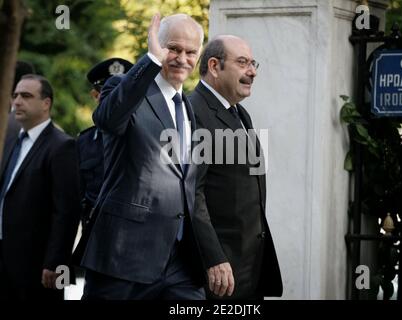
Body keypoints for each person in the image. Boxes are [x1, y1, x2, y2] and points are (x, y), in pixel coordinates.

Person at [80, 13, 209, 300]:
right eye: (173, 49)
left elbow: (186, 183)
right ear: (156, 46)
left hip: (180, 263)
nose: (182, 58)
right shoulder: (123, 88)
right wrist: (150, 61)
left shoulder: (186, 108)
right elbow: (108, 119)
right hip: (123, 257)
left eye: (191, 52)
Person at [189, 35, 283, 299]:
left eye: (253, 63)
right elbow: (191, 194)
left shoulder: (240, 113)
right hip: (220, 273)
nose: (252, 71)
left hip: (250, 267)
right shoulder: (193, 112)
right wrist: (213, 258)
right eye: (242, 63)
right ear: (215, 66)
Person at [0, 74, 81, 300]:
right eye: (15, 95)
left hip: (39, 266)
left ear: (46, 104)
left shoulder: (62, 146)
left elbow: (67, 211)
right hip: (5, 258)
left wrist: (56, 262)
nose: (16, 102)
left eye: (26, 96)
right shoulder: (10, 140)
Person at [77, 58, 133, 230]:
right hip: (94, 230)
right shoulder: (83, 142)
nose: (115, 98)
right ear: (95, 96)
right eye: (108, 91)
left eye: (121, 92)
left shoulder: (147, 135)